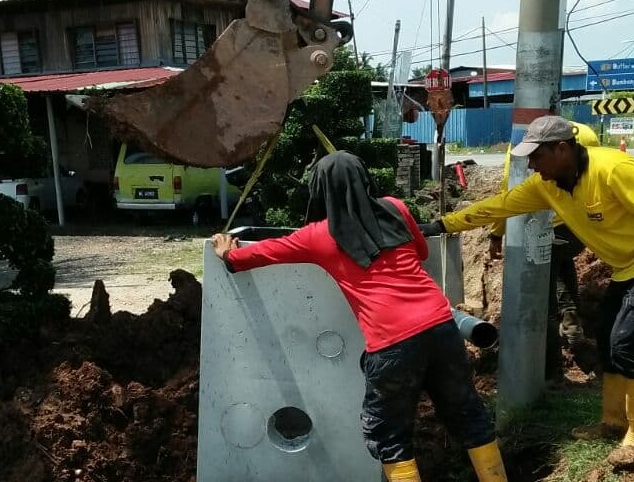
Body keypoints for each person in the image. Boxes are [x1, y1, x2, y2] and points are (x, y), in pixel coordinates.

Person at [212, 151, 507, 482]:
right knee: (468, 414)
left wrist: (227, 251)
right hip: (442, 327)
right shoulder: (396, 208)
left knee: (390, 435)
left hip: (393, 343)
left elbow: (253, 256)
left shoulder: (319, 235)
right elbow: (422, 252)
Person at [420, 115, 634, 467]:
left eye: (537, 156)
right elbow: (497, 206)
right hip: (627, 267)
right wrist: (440, 225)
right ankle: (613, 422)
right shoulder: (547, 186)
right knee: (610, 341)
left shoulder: (612, 169)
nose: (532, 165)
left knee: (628, 345)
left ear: (562, 148)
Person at [486, 122, 600, 378]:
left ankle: (551, 372)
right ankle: (577, 340)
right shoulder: (584, 133)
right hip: (576, 228)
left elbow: (509, 191)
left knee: (542, 303)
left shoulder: (523, 142)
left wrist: (496, 232)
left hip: (543, 230)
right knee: (562, 273)